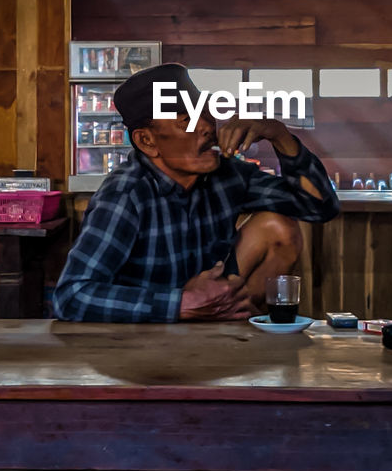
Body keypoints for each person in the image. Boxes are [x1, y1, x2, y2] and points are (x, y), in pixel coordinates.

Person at [53, 63, 340, 323]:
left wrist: (279, 135)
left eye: (206, 114)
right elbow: (71, 296)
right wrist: (180, 304)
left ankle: (232, 323)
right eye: (185, 122)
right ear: (146, 141)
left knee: (279, 227)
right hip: (141, 337)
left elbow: (319, 207)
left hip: (211, 312)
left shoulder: (226, 175)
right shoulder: (125, 195)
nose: (205, 128)